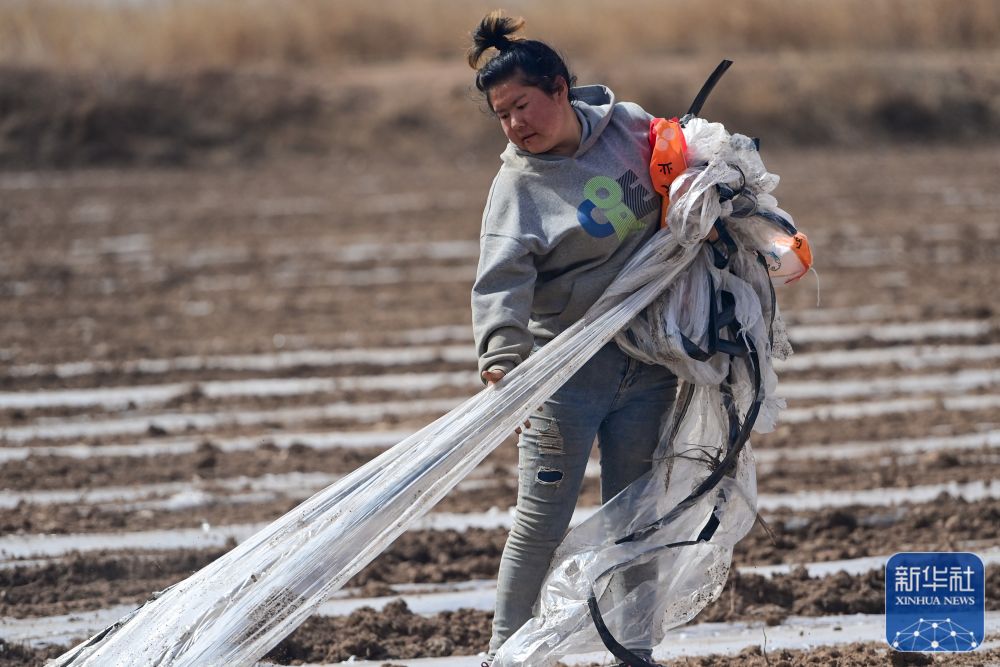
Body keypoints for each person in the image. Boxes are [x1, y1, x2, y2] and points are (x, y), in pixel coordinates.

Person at [467, 11, 678, 665]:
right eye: (501, 115)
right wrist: (505, 363)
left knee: (636, 514)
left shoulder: (630, 129)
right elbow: (500, 281)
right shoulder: (518, 187)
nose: (515, 125)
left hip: (648, 362)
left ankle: (633, 647)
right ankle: (508, 650)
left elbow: (687, 176)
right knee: (542, 519)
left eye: (522, 106)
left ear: (560, 89)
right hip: (565, 376)